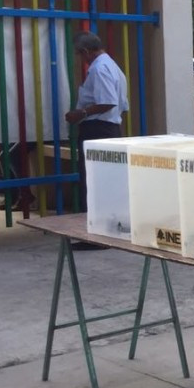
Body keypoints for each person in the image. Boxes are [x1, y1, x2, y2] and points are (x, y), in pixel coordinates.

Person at [67, 31, 129, 246]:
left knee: (93, 183)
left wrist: (81, 114)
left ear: (85, 52)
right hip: (109, 129)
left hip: (98, 130)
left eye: (79, 54)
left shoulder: (100, 69)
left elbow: (108, 101)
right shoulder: (113, 66)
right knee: (106, 183)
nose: (80, 59)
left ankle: (96, 237)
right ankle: (110, 231)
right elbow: (122, 105)